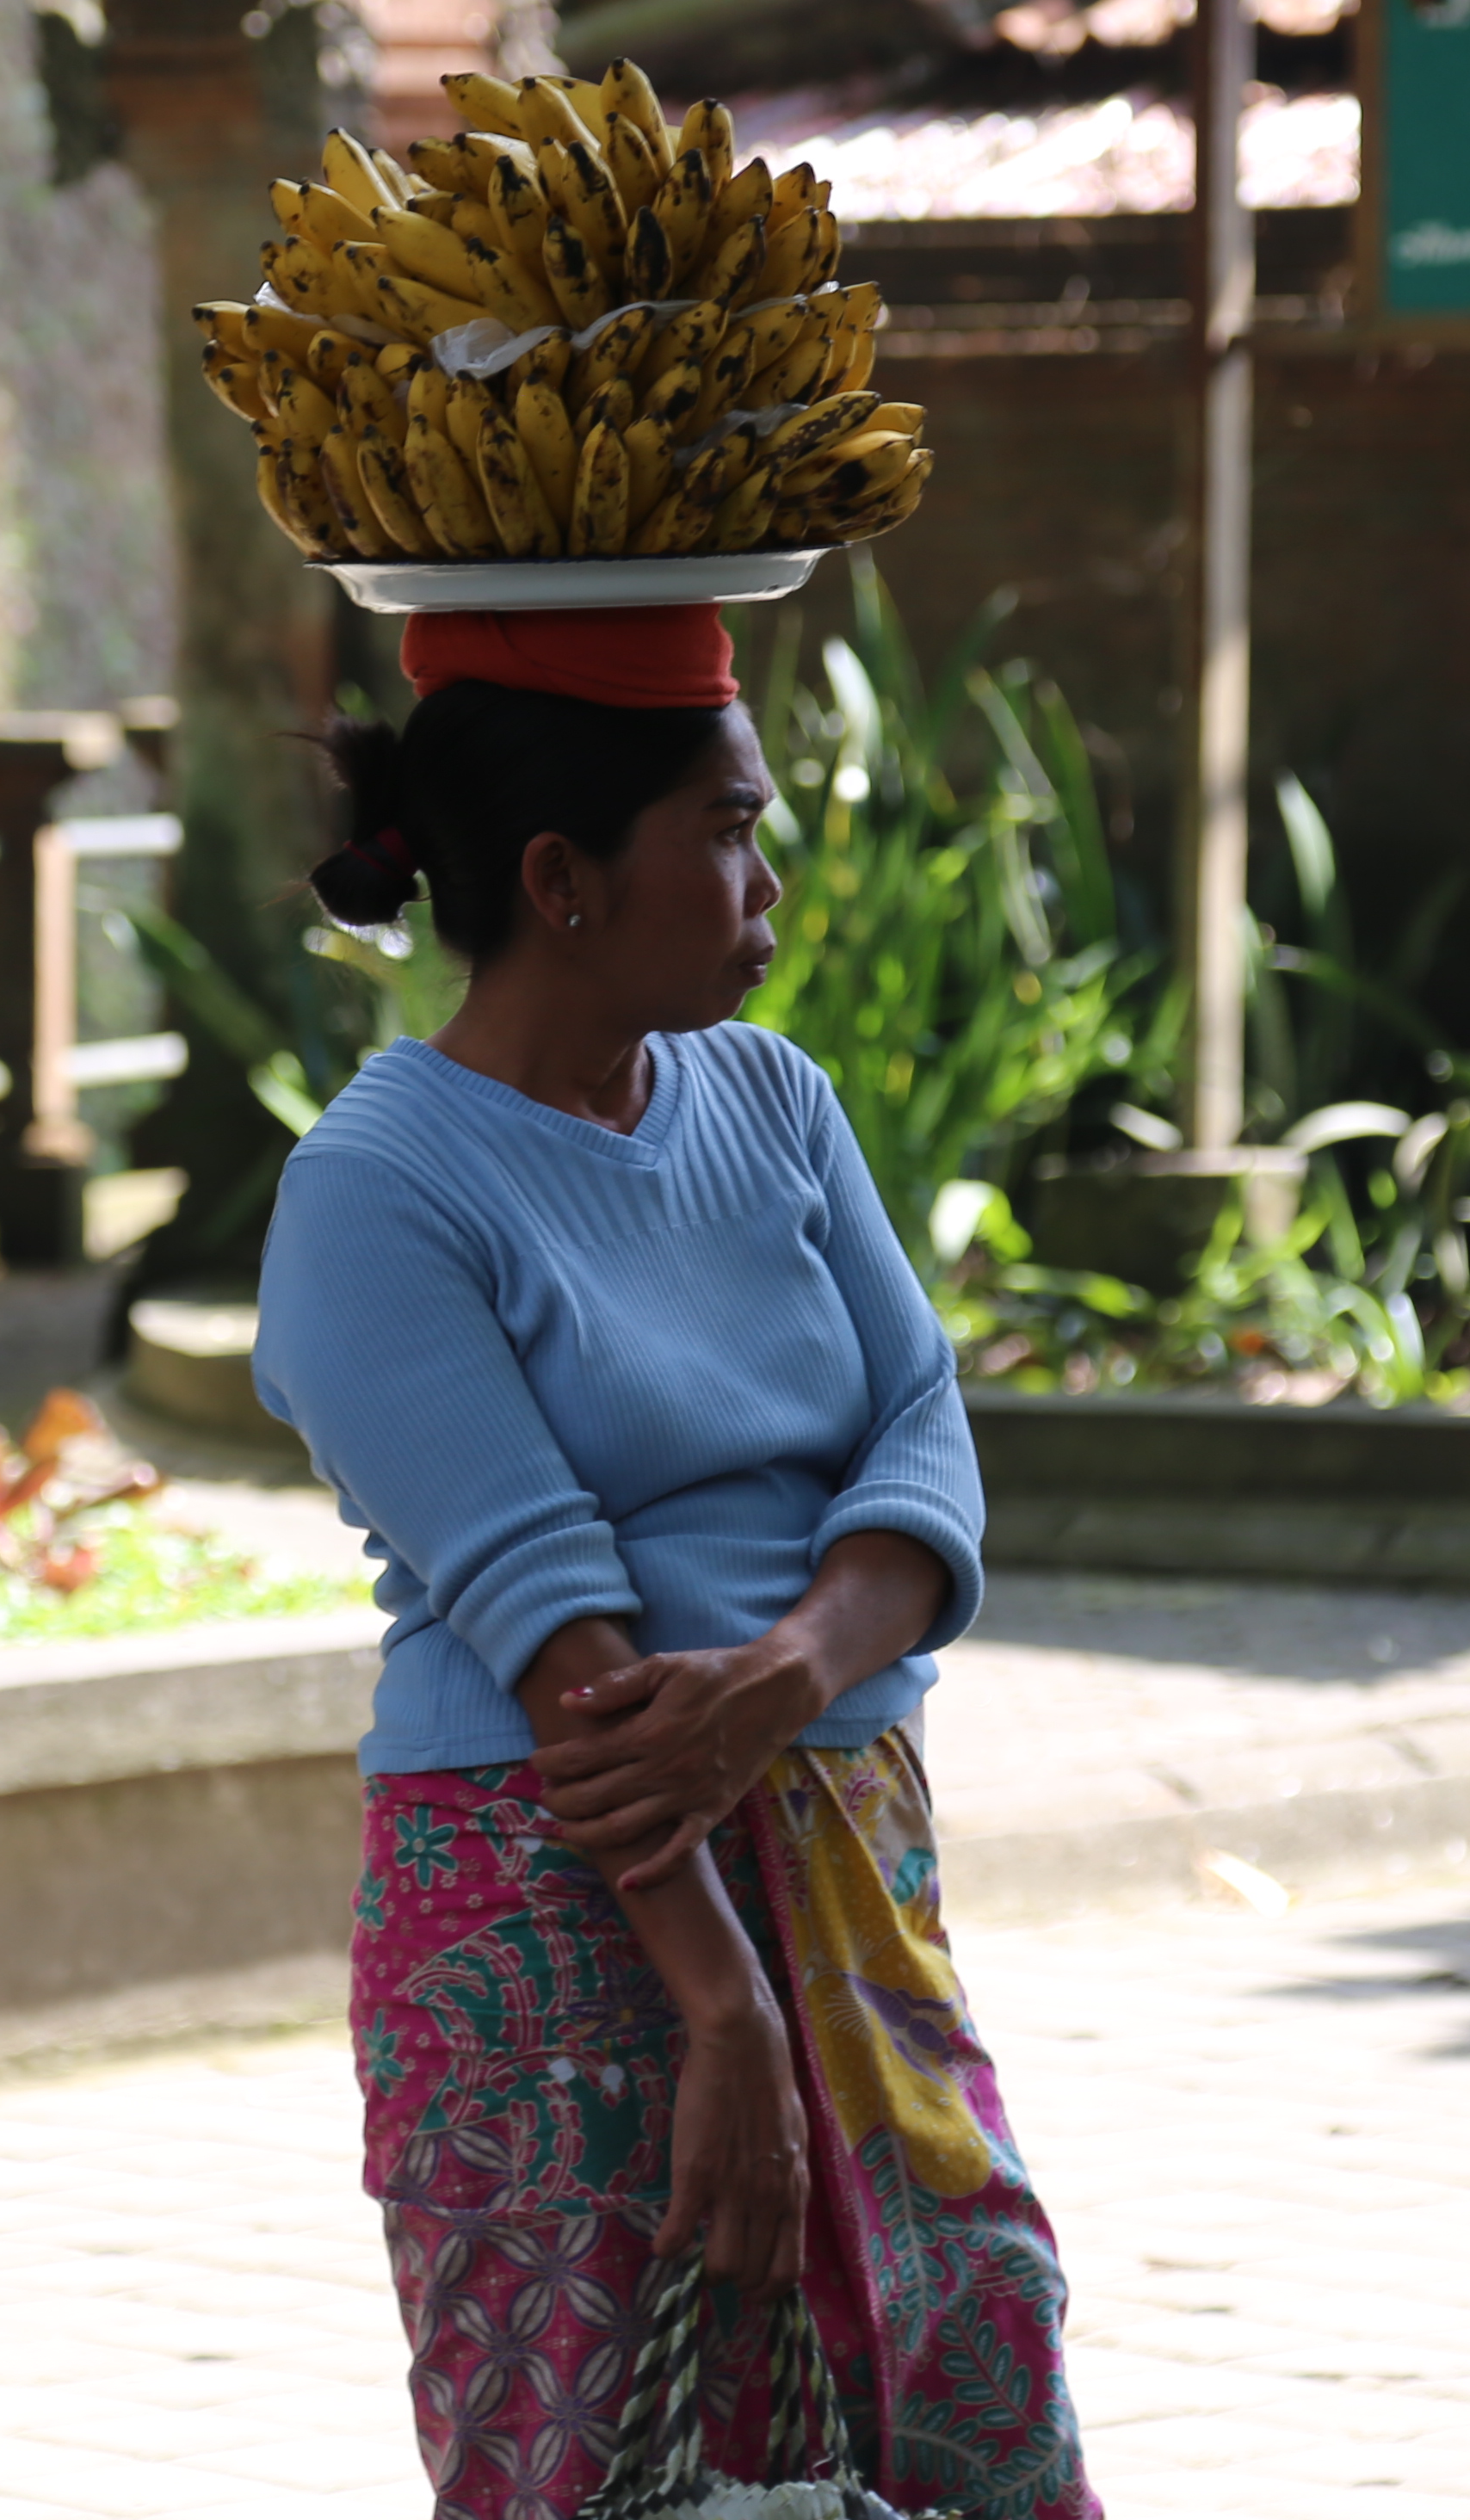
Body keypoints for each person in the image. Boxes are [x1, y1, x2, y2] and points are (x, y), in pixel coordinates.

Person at [255, 601, 1097, 2520]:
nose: (766, 875)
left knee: (972, 2362)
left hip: (842, 1845)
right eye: (723, 831)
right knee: (613, 2448)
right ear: (561, 880)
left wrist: (788, 1675)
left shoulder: (776, 1104)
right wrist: (720, 2011)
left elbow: (924, 1450)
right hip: (556, 1893)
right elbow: (559, 1627)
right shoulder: (376, 1194)